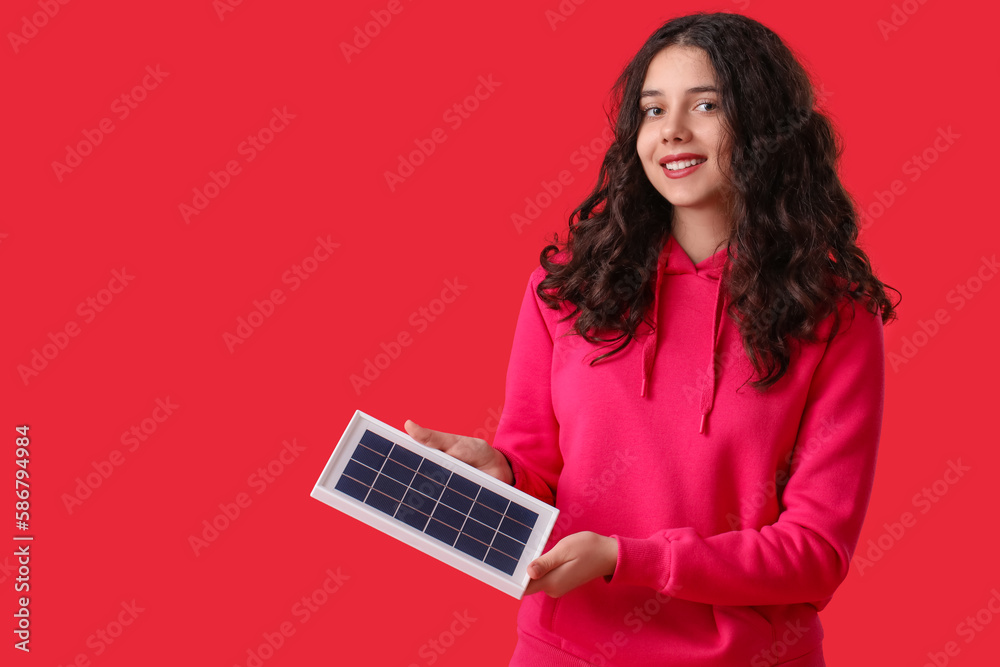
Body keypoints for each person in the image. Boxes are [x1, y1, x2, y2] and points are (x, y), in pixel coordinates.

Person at [404, 11, 899, 667]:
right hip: (567, 651)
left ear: (765, 126)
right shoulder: (567, 291)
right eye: (652, 109)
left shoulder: (832, 317)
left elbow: (814, 553)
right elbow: (541, 478)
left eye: (706, 105)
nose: (672, 131)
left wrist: (629, 558)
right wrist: (500, 472)